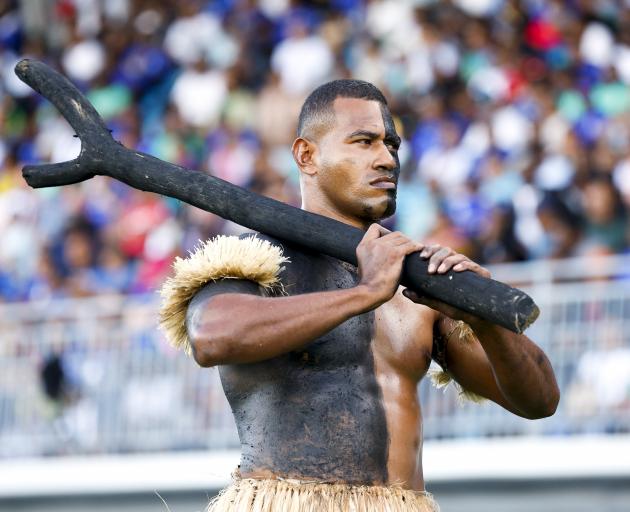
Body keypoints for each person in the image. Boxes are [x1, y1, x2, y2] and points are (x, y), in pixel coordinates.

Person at [160, 80, 560, 511]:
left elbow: (540, 401)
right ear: (306, 155)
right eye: (364, 141)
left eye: (392, 144)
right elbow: (212, 337)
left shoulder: (417, 279)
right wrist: (366, 292)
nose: (387, 158)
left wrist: (483, 321)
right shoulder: (254, 258)